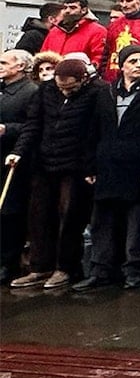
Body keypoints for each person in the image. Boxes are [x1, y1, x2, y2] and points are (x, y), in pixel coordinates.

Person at [6, 58, 112, 289]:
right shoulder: (46, 91)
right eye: (60, 85)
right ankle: (39, 266)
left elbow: (96, 132)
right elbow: (33, 124)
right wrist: (19, 151)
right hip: (44, 162)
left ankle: (65, 267)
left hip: (75, 166)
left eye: (69, 87)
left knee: (70, 216)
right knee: (39, 215)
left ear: (82, 80)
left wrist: (90, 167)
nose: (64, 90)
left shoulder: (97, 93)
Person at [73, 46, 140, 291]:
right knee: (101, 221)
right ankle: (100, 269)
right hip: (107, 166)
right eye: (133, 61)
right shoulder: (105, 92)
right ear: (122, 65)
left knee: (137, 223)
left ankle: (134, 269)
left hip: (138, 167)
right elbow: (92, 132)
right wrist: (89, 166)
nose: (139, 65)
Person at [0, 50, 39, 284]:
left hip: (14, 158)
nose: (0, 66)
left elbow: (32, 125)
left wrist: (8, 129)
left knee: (9, 212)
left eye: (5, 62)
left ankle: (8, 262)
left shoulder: (30, 92)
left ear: (21, 67)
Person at [41, 0, 107, 63]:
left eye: (73, 8)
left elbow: (99, 59)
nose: (67, 11)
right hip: (52, 73)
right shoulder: (54, 31)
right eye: (65, 7)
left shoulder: (98, 31)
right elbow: (43, 56)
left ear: (83, 10)